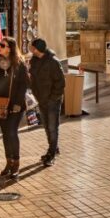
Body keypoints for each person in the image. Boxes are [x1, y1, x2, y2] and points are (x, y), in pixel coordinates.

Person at [0, 37, 29, 179]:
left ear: (10, 48)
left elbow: (24, 85)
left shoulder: (19, 63)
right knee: (5, 133)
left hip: (15, 105)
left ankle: (16, 163)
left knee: (12, 132)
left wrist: (17, 103)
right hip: (0, 104)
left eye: (2, 45)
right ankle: (8, 162)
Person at [29, 38, 66, 167]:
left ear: (37, 49)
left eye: (31, 47)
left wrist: (53, 98)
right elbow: (33, 79)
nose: (30, 49)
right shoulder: (34, 61)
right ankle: (53, 148)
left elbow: (61, 83)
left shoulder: (53, 62)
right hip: (41, 100)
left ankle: (51, 154)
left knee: (52, 127)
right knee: (46, 126)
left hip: (52, 101)